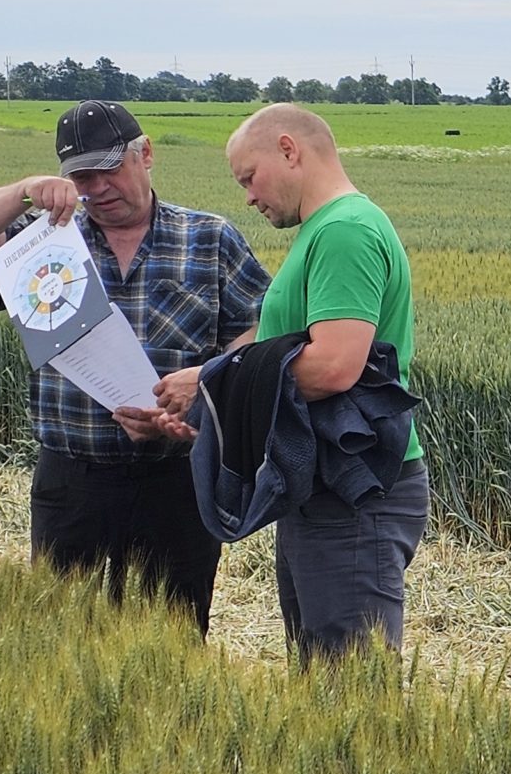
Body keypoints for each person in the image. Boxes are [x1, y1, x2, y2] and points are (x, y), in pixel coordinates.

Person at [0, 99, 269, 634]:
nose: (98, 188)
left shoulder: (209, 237)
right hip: (73, 481)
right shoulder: (45, 239)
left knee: (173, 640)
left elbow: (256, 334)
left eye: (109, 169)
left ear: (146, 154)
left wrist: (203, 391)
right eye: (82, 177)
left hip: (177, 480)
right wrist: (24, 191)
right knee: (62, 639)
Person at [156, 103, 427, 661]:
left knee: (350, 686)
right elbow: (279, 356)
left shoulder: (345, 232)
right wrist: (215, 406)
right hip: (325, 487)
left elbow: (334, 365)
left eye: (249, 178)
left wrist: (211, 384)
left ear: (288, 150)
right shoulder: (323, 231)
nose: (248, 197)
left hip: (355, 493)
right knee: (319, 682)